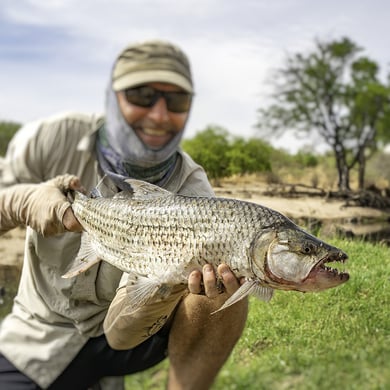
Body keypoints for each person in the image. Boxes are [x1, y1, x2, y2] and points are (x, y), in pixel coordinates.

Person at [0, 40, 248, 390]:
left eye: (176, 101)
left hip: (128, 335)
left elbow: (120, 335)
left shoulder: (194, 190)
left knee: (223, 290)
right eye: (142, 95)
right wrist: (23, 201)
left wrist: (167, 284)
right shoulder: (51, 137)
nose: (159, 115)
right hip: (38, 335)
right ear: (111, 97)